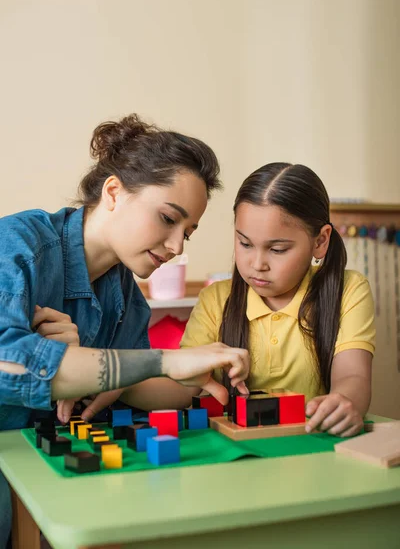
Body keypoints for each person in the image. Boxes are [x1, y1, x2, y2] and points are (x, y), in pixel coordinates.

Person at [0, 114, 249, 549]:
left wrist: (172, 378)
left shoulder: (125, 294)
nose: (176, 247)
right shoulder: (19, 246)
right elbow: (9, 363)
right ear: (113, 192)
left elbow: (140, 382)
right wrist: (164, 361)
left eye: (187, 233)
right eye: (168, 219)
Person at [181, 162, 375, 438]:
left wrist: (346, 402)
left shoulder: (348, 290)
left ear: (320, 241)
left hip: (314, 448)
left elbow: (353, 377)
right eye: (245, 244)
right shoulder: (215, 299)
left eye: (278, 249)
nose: (257, 264)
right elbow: (178, 387)